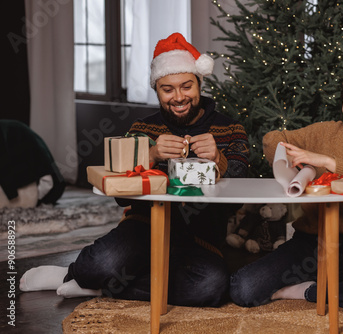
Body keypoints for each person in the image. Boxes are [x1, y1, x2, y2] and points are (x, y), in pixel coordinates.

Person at [20, 33, 250, 307]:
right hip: (143, 227)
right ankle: (78, 274)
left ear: (199, 84)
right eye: (168, 89)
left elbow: (241, 195)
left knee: (210, 288)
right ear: (157, 90)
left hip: (202, 237)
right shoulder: (143, 128)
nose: (179, 97)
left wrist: (219, 159)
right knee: (100, 264)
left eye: (186, 86)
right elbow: (121, 196)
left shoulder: (230, 129)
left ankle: (102, 288)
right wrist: (150, 155)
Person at [229, 67, 343, 314]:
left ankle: (308, 291)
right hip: (310, 246)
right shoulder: (328, 132)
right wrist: (295, 168)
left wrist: (328, 163)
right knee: (243, 289)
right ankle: (331, 288)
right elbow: (272, 139)